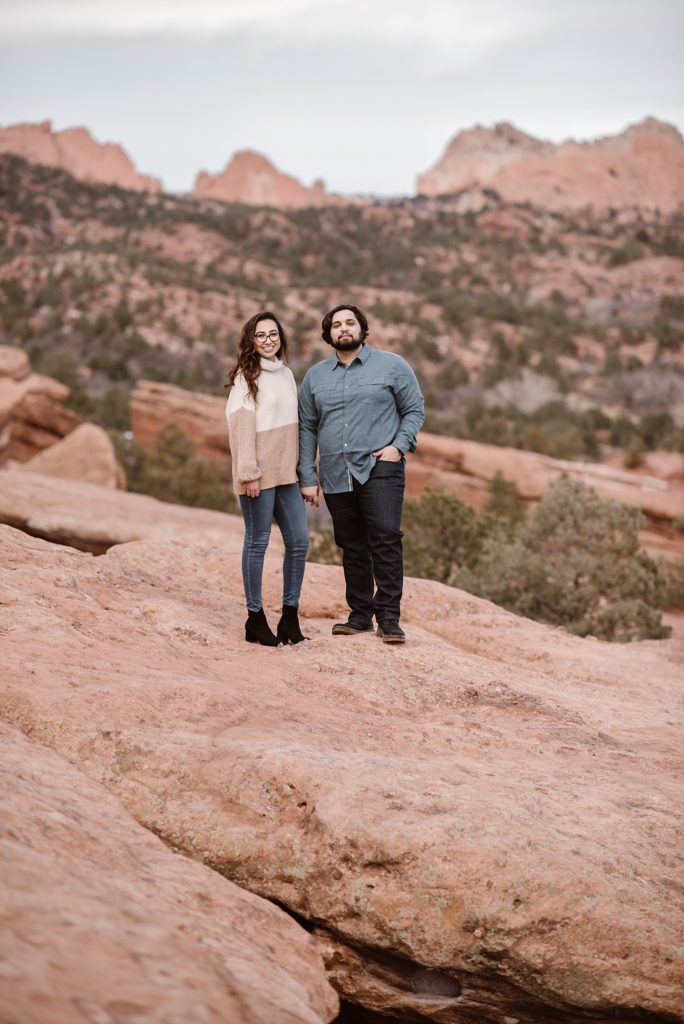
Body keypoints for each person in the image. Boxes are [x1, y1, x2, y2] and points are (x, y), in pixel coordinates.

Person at [298, 304, 424, 644]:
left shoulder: (392, 365)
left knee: (385, 537)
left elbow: (414, 409)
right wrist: (307, 476)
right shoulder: (315, 377)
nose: (344, 328)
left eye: (350, 322)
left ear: (361, 329)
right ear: (328, 334)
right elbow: (307, 427)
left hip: (380, 466)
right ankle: (359, 616)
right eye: (336, 324)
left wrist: (398, 447)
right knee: (352, 544)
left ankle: (389, 618)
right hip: (335, 471)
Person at [226, 311, 309, 646]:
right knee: (257, 542)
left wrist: (303, 472)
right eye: (260, 335)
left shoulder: (286, 373)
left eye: (273, 334)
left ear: (281, 337)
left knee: (299, 542)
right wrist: (248, 472)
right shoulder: (246, 376)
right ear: (251, 340)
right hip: (258, 474)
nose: (268, 340)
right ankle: (255, 619)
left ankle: (289, 617)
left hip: (286, 473)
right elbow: (241, 424)